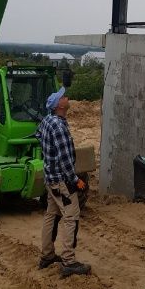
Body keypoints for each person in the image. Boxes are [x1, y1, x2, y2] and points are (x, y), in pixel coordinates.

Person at [36, 86, 90, 277]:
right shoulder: (59, 127)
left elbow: (38, 136)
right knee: (71, 216)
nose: (67, 97)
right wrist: (76, 181)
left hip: (50, 179)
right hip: (61, 181)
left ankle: (47, 255)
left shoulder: (47, 121)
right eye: (63, 97)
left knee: (51, 214)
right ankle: (69, 260)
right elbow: (65, 159)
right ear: (59, 105)